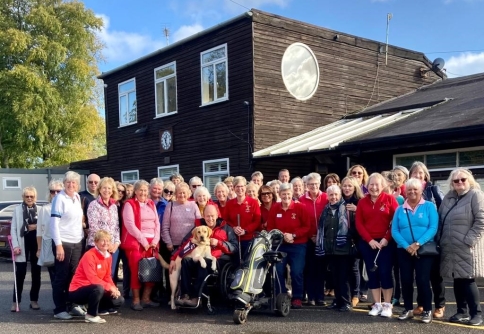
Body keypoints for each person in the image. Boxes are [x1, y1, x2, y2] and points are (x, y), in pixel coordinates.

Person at [438, 168, 484, 326]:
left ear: (469, 179)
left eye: (463, 179)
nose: (459, 183)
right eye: (455, 181)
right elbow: (441, 219)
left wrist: (469, 240)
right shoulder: (449, 198)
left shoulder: (475, 195)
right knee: (457, 280)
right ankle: (461, 312)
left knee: (468, 280)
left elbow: (481, 220)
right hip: (449, 247)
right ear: (452, 183)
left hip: (466, 246)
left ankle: (476, 313)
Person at [170, 204, 238, 306]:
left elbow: (234, 247)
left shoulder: (227, 228)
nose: (210, 218)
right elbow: (185, 244)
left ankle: (196, 297)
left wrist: (219, 243)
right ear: (203, 216)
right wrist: (173, 258)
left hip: (219, 259)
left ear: (217, 215)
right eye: (207, 216)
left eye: (212, 216)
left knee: (203, 263)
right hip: (199, 256)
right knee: (186, 261)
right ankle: (185, 295)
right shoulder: (198, 228)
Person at [391, 178, 438, 324]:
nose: (412, 192)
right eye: (409, 190)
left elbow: (433, 227)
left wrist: (417, 244)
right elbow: (395, 230)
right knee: (405, 280)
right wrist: (407, 246)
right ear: (405, 192)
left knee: (423, 280)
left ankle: (427, 310)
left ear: (421, 191)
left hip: (424, 249)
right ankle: (408, 309)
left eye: (415, 189)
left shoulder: (429, 206)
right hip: (404, 250)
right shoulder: (400, 209)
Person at [356, 173, 398, 318]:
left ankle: (387, 305)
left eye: (377, 185)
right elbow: (359, 224)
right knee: (372, 273)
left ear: (382, 186)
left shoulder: (390, 199)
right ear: (367, 186)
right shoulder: (362, 202)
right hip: (368, 243)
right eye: (371, 185)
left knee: (385, 272)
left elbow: (396, 221)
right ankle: (377, 304)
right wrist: (369, 240)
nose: (374, 187)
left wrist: (386, 238)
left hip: (386, 243)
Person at [409, 161, 446, 319]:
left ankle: (440, 305)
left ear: (425, 175)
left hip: (432, 239)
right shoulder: (408, 191)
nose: (417, 175)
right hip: (413, 242)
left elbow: (443, 211)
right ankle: (422, 304)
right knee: (420, 275)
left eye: (420, 173)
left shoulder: (433, 190)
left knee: (434, 275)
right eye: (414, 173)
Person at [315, 185, 358, 312]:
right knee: (334, 276)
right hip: (330, 249)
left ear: (340, 195)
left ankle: (345, 302)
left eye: (336, 194)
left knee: (343, 277)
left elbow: (355, 227)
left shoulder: (347, 209)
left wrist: (348, 236)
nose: (333, 197)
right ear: (327, 196)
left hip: (344, 249)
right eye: (331, 195)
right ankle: (338, 300)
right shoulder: (325, 210)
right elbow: (323, 230)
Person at [267, 182, 310, 309]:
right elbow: (270, 227)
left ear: (292, 194)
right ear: (279, 194)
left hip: (298, 245)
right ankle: (281, 297)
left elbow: (307, 227)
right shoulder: (275, 208)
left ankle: (297, 298)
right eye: (283, 194)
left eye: (288, 194)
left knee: (296, 271)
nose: (286, 196)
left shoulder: (300, 207)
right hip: (280, 245)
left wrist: (294, 235)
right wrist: (280, 236)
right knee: (277, 271)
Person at [69, 230, 125, 323]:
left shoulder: (109, 256)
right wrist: (109, 287)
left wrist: (114, 288)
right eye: (102, 240)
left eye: (107, 241)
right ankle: (91, 315)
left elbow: (107, 276)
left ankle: (98, 308)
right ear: (96, 242)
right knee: (98, 288)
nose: (105, 243)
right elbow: (92, 278)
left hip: (96, 288)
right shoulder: (89, 255)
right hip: (78, 290)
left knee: (119, 300)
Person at [50, 171, 85, 320]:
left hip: (77, 242)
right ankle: (59, 309)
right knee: (61, 277)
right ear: (64, 183)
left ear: (78, 185)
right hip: (63, 242)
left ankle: (71, 305)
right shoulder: (59, 198)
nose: (71, 185)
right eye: (68, 182)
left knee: (73, 275)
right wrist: (58, 245)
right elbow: (54, 223)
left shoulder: (77, 197)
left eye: (74, 182)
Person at [121, 180, 160, 311]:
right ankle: (135, 300)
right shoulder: (129, 204)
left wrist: (155, 240)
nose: (143, 193)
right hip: (136, 243)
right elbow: (130, 225)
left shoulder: (151, 204)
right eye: (140, 190)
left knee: (152, 270)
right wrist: (143, 241)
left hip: (152, 243)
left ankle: (146, 298)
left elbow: (157, 224)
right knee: (136, 271)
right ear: (135, 192)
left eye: (145, 190)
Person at [10, 186, 42, 312]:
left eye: (32, 196)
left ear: (35, 197)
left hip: (36, 243)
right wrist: (16, 245)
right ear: (23, 197)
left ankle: (34, 300)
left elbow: (45, 227)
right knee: (20, 273)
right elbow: (13, 229)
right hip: (22, 242)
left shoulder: (40, 209)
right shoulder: (17, 210)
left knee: (36, 272)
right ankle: (15, 301)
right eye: (27, 196)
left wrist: (36, 227)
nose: (29, 198)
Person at [299, 172, 328, 306]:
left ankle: (320, 297)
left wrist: (320, 236)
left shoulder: (326, 198)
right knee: (310, 268)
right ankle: (311, 297)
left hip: (323, 238)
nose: (313, 186)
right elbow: (300, 221)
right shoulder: (301, 200)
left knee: (321, 269)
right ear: (307, 185)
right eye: (310, 184)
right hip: (308, 238)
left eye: (316, 184)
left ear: (319, 184)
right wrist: (311, 236)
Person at [86, 177, 120, 280]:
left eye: (109, 188)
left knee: (110, 276)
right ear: (99, 189)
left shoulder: (114, 206)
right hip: (97, 246)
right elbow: (94, 227)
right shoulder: (93, 205)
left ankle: (109, 296)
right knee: (98, 276)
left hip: (113, 247)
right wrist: (106, 244)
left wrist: (116, 243)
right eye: (104, 188)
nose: (107, 191)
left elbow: (116, 227)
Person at [341, 176, 364, 307]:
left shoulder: (360, 201)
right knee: (343, 269)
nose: (347, 188)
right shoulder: (339, 200)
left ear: (355, 187)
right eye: (345, 186)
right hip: (342, 239)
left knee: (354, 268)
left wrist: (357, 210)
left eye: (350, 186)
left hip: (355, 239)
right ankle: (345, 295)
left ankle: (356, 294)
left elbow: (365, 219)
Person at [225, 176, 261, 258]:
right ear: (234, 188)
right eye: (237, 186)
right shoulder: (229, 204)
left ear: (245, 187)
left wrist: (246, 230)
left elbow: (257, 220)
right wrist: (234, 227)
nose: (240, 189)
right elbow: (226, 220)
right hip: (234, 239)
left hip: (249, 239)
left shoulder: (253, 203)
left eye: (242, 186)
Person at [37, 180, 64, 286]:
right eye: (52, 191)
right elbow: (39, 230)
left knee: (65, 275)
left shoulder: (67, 207)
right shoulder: (45, 209)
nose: (55, 194)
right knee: (54, 277)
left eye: (58, 191)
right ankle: (58, 301)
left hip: (65, 244)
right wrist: (39, 249)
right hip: (49, 244)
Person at [162, 182, 201, 253]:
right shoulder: (170, 205)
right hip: (174, 245)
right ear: (176, 194)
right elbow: (165, 226)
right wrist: (168, 242)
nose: (182, 195)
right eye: (180, 193)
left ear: (188, 193)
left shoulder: (193, 205)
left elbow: (199, 225)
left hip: (191, 243)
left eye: (184, 192)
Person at [114, 182, 130, 299]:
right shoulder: (111, 204)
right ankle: (112, 294)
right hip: (113, 241)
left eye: (122, 191)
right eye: (118, 190)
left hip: (124, 241)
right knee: (112, 270)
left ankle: (125, 292)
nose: (120, 193)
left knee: (126, 268)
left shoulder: (124, 205)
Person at [79, 173, 100, 239]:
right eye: (90, 182)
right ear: (87, 183)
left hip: (101, 232)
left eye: (96, 182)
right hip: (86, 232)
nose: (93, 184)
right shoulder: (80, 196)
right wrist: (85, 227)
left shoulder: (103, 196)